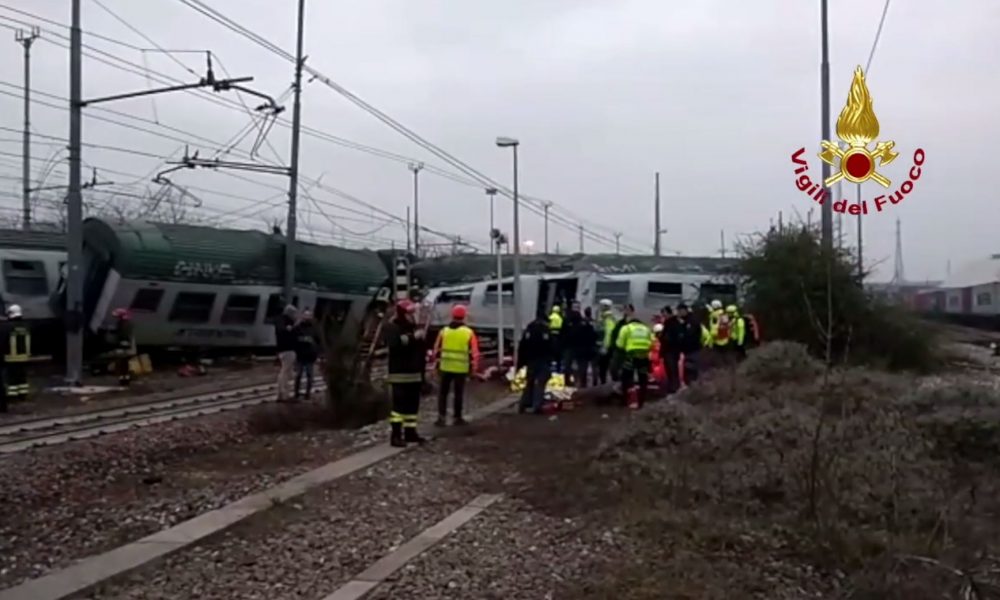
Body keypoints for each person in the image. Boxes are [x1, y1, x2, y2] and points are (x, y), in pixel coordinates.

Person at [385, 299, 427, 446]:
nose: (412, 316)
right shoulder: (393, 327)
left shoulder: (414, 328)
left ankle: (410, 432)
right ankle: (396, 435)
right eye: (410, 313)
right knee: (399, 407)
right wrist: (413, 338)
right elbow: (395, 344)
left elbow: (420, 350)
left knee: (412, 406)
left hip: (414, 373)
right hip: (399, 373)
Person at [433, 304, 480, 426]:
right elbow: (475, 353)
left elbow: (436, 350)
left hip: (445, 367)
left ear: (452, 315)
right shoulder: (469, 333)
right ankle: (457, 417)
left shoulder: (444, 331)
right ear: (464, 316)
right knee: (458, 393)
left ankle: (441, 417)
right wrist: (474, 369)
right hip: (461, 368)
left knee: (443, 393)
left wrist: (435, 365)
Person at [615, 310, 653, 408]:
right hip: (643, 356)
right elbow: (652, 342)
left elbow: (619, 344)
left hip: (631, 356)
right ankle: (642, 402)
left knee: (626, 378)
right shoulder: (646, 328)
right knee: (643, 379)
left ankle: (625, 401)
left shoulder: (626, 328)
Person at [517, 311, 552, 414]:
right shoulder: (545, 329)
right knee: (541, 382)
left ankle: (524, 404)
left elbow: (522, 346)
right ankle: (537, 405)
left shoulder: (529, 328)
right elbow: (550, 345)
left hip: (530, 360)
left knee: (530, 382)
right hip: (542, 359)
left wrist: (521, 362)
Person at [665, 303, 701, 390]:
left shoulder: (693, 321)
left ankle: (691, 387)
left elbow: (693, 335)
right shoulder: (672, 321)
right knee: (674, 370)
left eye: (681, 311)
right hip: (675, 350)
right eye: (678, 311)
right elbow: (667, 335)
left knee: (690, 369)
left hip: (691, 349)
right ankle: (675, 388)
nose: (679, 313)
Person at [2, 304, 30, 406]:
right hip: (24, 357)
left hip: (11, 357)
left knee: (12, 379)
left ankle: (12, 396)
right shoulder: (26, 326)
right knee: (22, 377)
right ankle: (23, 395)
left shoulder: (8, 327)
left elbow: (4, 341)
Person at [564, 304, 596, 388]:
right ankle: (581, 383)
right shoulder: (585, 324)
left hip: (574, 348)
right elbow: (592, 336)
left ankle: (571, 381)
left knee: (570, 365)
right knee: (581, 368)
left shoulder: (569, 322)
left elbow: (564, 335)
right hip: (580, 349)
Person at [293, 309, 319, 399]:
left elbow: (318, 341)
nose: (307, 317)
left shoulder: (314, 328)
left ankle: (308, 394)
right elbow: (294, 339)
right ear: (302, 316)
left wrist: (317, 352)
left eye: (309, 315)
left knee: (310, 376)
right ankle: (296, 393)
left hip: (310, 356)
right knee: (298, 375)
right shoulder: (297, 327)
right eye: (305, 315)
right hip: (300, 355)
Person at [274, 304, 298, 402]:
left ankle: (281, 393)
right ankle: (284, 394)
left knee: (284, 372)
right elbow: (290, 333)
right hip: (288, 349)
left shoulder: (279, 321)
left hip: (282, 349)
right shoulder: (288, 322)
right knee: (285, 372)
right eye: (294, 313)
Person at [608, 304, 634, 382]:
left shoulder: (634, 323)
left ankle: (626, 385)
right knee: (613, 368)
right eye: (625, 309)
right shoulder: (620, 323)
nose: (626, 311)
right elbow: (614, 334)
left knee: (628, 370)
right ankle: (616, 382)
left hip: (629, 350)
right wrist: (613, 346)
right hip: (618, 349)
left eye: (628, 310)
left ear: (632, 312)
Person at [110, 308, 135, 387]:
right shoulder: (128, 323)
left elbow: (121, 335)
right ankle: (125, 379)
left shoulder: (122, 324)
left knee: (122, 364)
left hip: (123, 346)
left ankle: (123, 380)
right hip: (127, 346)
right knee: (125, 364)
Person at [595, 299, 616, 384]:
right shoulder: (604, 317)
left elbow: (608, 333)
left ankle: (605, 386)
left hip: (606, 348)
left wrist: (605, 347)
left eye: (601, 306)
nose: (600, 308)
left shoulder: (608, 318)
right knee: (602, 368)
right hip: (603, 346)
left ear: (605, 307)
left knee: (603, 368)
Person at [548, 304, 564, 372]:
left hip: (551, 336)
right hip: (558, 337)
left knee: (550, 353)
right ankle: (558, 368)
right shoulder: (560, 318)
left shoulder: (550, 317)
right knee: (558, 354)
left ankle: (549, 367)